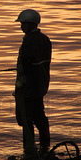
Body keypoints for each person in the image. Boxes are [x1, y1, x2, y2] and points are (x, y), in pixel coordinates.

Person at [14, 9, 52, 151]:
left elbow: (29, 65)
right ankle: (45, 145)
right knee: (39, 116)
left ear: (31, 24)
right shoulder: (45, 39)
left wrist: (21, 87)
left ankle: (29, 149)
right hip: (41, 85)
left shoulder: (30, 41)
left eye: (23, 24)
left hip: (29, 88)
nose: (21, 26)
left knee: (27, 118)